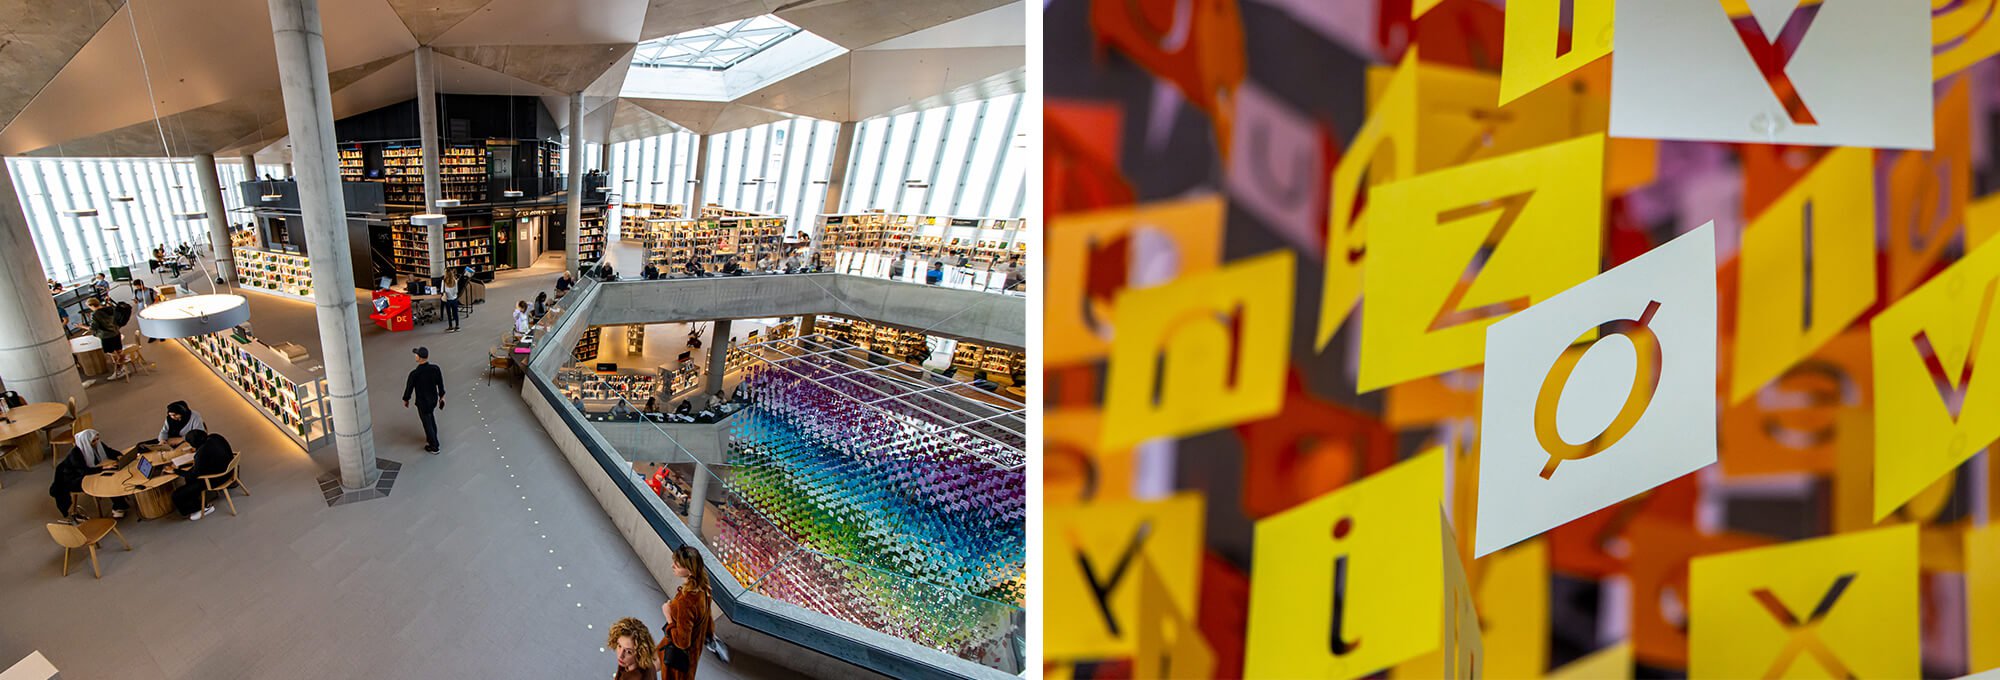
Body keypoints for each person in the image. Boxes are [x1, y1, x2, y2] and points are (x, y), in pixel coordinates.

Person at [658, 545, 715, 680]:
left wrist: (668, 616)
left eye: (677, 565)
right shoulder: (704, 589)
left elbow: (682, 642)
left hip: (678, 660)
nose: (673, 566)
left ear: (689, 571)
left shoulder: (686, 600)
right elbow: (708, 620)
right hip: (692, 654)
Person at [50, 429, 129, 521]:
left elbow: (109, 451)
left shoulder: (97, 444)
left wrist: (119, 455)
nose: (96, 442)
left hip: (89, 471)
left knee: (112, 475)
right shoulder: (75, 454)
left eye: (97, 439)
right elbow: (84, 471)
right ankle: (119, 507)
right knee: (106, 482)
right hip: (73, 479)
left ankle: (120, 503)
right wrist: (104, 468)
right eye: (93, 441)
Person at [170, 429, 234, 521]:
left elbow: (193, 474)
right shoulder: (215, 436)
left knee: (177, 495)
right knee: (189, 481)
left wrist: (175, 471)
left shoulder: (201, 453)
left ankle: (202, 508)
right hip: (230, 470)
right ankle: (196, 500)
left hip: (218, 478)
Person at [403, 347, 446, 453]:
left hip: (422, 402)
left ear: (419, 357)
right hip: (433, 400)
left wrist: (406, 399)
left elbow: (409, 388)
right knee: (430, 417)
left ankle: (434, 446)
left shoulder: (415, 374)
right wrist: (442, 396)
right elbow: (440, 384)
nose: (415, 356)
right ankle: (432, 437)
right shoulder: (435, 368)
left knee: (427, 423)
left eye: (416, 354)